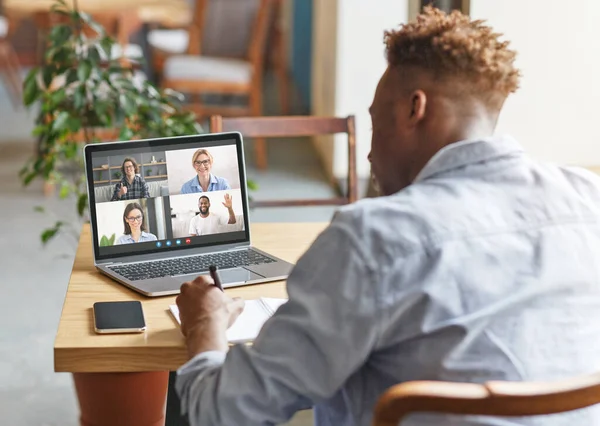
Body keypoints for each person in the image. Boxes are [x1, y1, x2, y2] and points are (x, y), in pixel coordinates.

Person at [174, 7, 600, 426]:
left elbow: (222, 412)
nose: (370, 153)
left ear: (415, 109)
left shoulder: (372, 238)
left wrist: (205, 324)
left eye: (376, 124)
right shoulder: (588, 199)